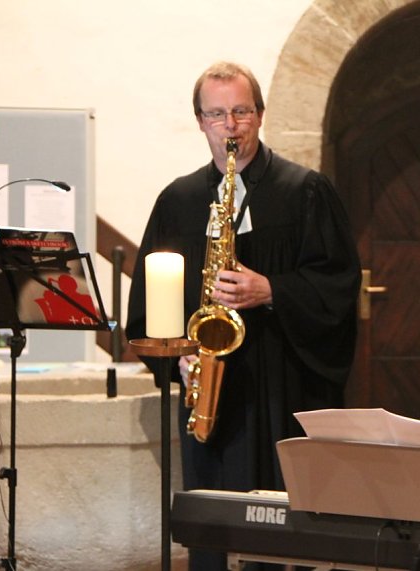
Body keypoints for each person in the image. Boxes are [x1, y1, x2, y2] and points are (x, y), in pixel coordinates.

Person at [125, 61, 361, 570]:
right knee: (212, 524)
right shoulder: (179, 200)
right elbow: (147, 303)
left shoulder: (305, 191)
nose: (230, 126)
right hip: (213, 385)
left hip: (283, 385)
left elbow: (340, 286)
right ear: (200, 121)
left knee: (280, 530)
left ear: (260, 114)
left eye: (241, 111)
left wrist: (272, 289)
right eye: (217, 114)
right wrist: (178, 360)